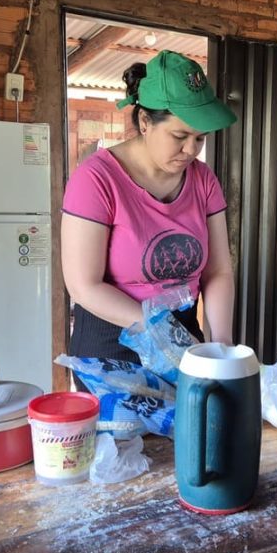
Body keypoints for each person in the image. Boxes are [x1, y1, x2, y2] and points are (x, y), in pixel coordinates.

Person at [61, 50, 237, 387]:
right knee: (129, 440)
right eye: (180, 136)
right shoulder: (97, 179)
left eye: (200, 138)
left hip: (183, 336)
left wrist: (222, 346)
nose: (191, 151)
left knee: (193, 433)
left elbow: (218, 271)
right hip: (114, 343)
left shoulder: (203, 180)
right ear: (144, 122)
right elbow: (84, 286)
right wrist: (158, 331)